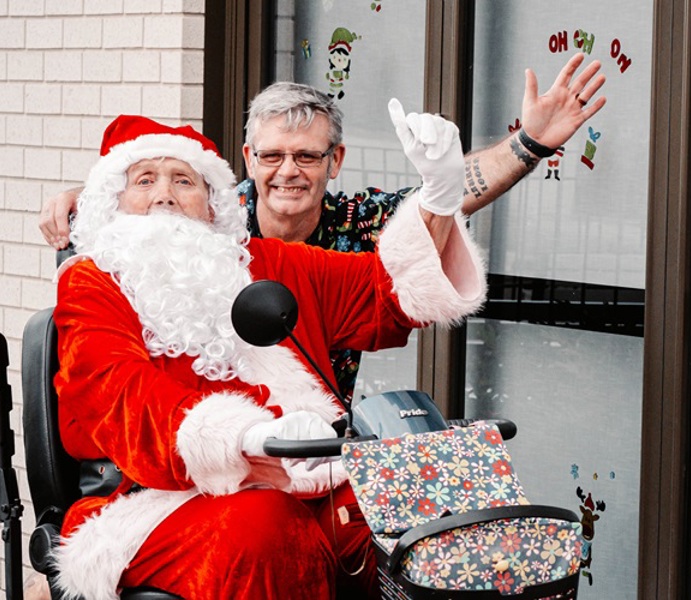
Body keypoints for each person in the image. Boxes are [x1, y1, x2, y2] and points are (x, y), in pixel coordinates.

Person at [47, 102, 485, 600]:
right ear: (114, 201)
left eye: (184, 181)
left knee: (420, 502)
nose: (165, 195)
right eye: (144, 180)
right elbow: (116, 393)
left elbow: (386, 291)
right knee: (266, 527)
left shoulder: (267, 263)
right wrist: (244, 436)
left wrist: (439, 196)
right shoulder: (92, 283)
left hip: (308, 475)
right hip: (156, 499)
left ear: (212, 204)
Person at [39, 53, 609, 397]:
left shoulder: (359, 222)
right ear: (248, 159)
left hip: (315, 442)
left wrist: (529, 142)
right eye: (272, 156)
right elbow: (151, 220)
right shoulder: (214, 220)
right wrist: (86, 196)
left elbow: (442, 202)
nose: (288, 171)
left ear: (334, 161)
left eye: (307, 157)